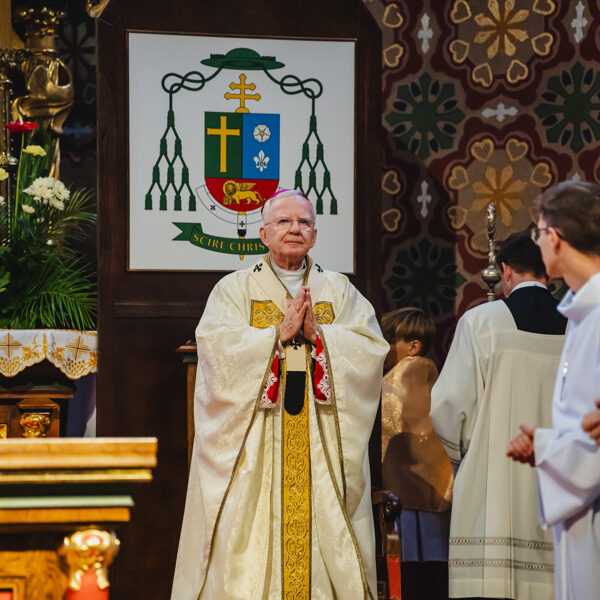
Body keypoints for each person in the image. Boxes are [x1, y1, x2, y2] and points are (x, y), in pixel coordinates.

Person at [171, 189, 389, 600]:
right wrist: (276, 334)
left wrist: (320, 337)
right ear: (264, 233)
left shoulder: (339, 290)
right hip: (259, 436)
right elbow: (216, 349)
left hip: (321, 436)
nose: (295, 229)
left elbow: (370, 348)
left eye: (304, 222)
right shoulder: (234, 289)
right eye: (284, 221)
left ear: (315, 234)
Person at [430, 231, 567, 600]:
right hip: (560, 482)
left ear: (506, 271)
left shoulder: (481, 323)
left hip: (492, 481)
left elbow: (448, 405)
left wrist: (467, 459)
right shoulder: (579, 327)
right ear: (549, 272)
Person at [507, 181, 600, 600]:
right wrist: (548, 444)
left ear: (556, 237)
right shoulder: (581, 312)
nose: (538, 242)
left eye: (539, 233)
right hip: (581, 504)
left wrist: (550, 447)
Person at [380, 307, 453, 600]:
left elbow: (388, 408)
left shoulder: (413, 370)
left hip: (408, 489)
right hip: (428, 487)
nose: (383, 346)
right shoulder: (426, 372)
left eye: (390, 340)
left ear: (413, 347)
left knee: (410, 574)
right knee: (430, 569)